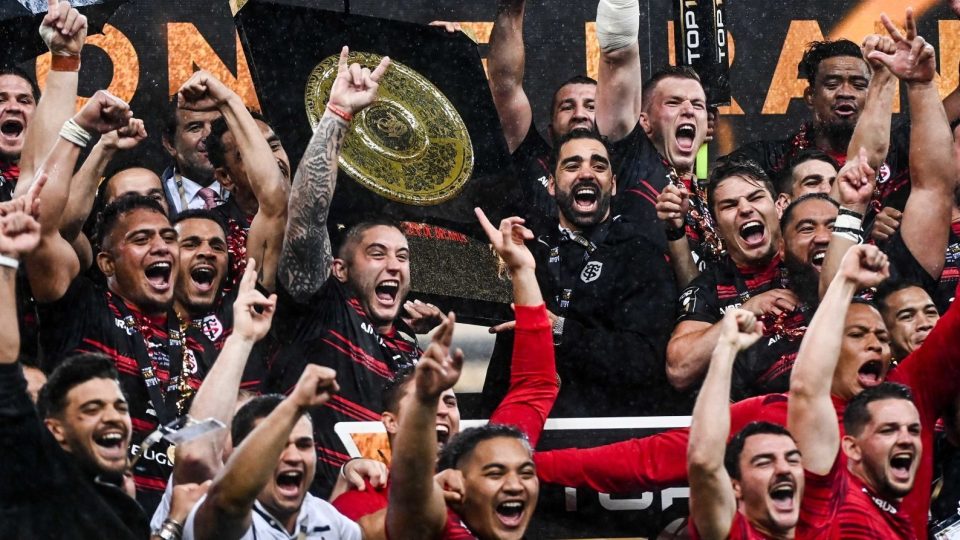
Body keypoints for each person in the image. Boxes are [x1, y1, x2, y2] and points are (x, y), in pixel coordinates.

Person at [21, 91, 217, 511]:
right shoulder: (81, 309)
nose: (162, 248)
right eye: (141, 239)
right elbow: (37, 224)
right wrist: (85, 133)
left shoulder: (203, 339)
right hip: (91, 513)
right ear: (107, 262)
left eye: (169, 238)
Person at [263, 47, 435, 496]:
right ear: (339, 268)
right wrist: (338, 114)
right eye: (376, 253)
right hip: (312, 507)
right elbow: (306, 219)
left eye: (402, 256)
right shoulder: (323, 308)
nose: (394, 264)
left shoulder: (409, 350)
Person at [332, 208, 557, 539]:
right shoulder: (361, 499)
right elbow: (398, 523)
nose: (440, 408)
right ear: (389, 422)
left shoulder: (486, 465)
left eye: (449, 400)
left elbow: (535, 384)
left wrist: (521, 271)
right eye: (424, 397)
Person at [483, 130, 682, 416]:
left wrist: (559, 330)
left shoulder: (641, 256)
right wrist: (445, 313)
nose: (586, 173)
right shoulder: (524, 246)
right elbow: (483, 315)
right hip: (516, 427)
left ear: (612, 185)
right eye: (572, 165)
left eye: (598, 166)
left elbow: (646, 360)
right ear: (552, 184)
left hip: (601, 433)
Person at [0, 195, 149, 539]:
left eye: (119, 407)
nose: (113, 417)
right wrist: (6, 262)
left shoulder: (124, 511)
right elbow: (5, 369)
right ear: (55, 430)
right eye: (91, 409)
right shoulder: (30, 491)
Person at [387, 316, 539, 540]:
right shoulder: (375, 492)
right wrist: (424, 399)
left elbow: (536, 384)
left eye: (527, 472)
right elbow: (412, 508)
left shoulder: (497, 447)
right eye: (495, 473)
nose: (514, 485)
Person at [182, 366, 366, 540]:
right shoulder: (207, 506)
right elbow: (227, 503)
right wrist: (295, 404)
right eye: (277, 445)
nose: (294, 457)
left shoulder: (327, 518)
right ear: (241, 450)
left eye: (304, 445)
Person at [687, 308, 808, 540]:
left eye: (793, 460)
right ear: (736, 486)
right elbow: (703, 460)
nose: (784, 469)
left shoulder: (825, 523)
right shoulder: (731, 532)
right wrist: (726, 348)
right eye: (764, 463)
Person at [486, 0, 597, 219]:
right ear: (550, 128)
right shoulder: (530, 158)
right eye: (567, 107)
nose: (579, 114)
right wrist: (513, 7)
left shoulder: (625, 164)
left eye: (591, 106)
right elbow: (505, 84)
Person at [181, 69, 289, 291]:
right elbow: (273, 194)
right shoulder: (212, 232)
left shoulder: (318, 211)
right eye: (248, 154)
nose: (271, 159)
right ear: (225, 178)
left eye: (274, 146)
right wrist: (228, 101)